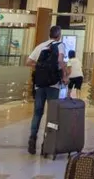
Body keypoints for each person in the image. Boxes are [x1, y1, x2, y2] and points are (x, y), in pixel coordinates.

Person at [26, 25, 69, 155]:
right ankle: (47, 142)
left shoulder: (41, 46)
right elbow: (60, 60)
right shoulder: (60, 45)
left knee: (37, 113)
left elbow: (28, 61)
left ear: (49, 34)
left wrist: (40, 65)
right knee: (52, 114)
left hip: (39, 85)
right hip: (53, 85)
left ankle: (32, 139)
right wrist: (65, 74)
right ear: (59, 35)